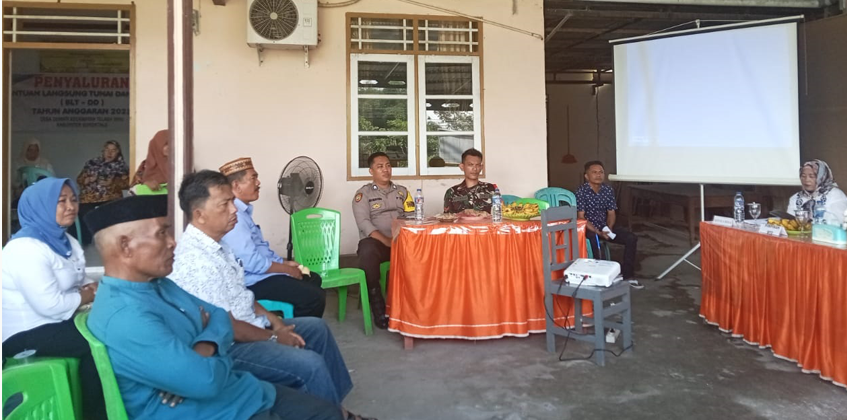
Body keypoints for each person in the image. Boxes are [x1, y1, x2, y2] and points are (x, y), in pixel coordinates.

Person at [83, 195, 350, 420]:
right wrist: (210, 351)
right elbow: (205, 382)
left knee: (327, 411)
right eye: (162, 233)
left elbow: (220, 315)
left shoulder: (160, 285)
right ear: (125, 246)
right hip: (209, 412)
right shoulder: (125, 315)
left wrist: (203, 348)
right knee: (321, 406)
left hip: (241, 394)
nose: (172, 242)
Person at [171, 170, 361, 411]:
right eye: (224, 204)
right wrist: (274, 337)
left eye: (232, 201)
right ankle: (330, 411)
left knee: (317, 328)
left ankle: (334, 408)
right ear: (199, 214)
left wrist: (275, 322)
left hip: (252, 325)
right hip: (230, 347)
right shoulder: (196, 261)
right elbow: (226, 326)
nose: (233, 209)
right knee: (309, 363)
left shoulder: (219, 245)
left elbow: (243, 296)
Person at [2, 177, 106, 419]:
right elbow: (51, 305)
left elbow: (81, 281)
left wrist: (86, 292)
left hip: (58, 323)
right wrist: (87, 293)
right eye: (61, 201)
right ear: (41, 206)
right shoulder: (25, 248)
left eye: (74, 199)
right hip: (26, 333)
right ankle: (94, 414)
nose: (71, 206)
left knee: (112, 329)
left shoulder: (66, 241)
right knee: (100, 344)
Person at [219, 158, 326, 318]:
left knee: (312, 278)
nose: (258, 182)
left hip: (259, 274)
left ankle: (292, 319)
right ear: (236, 185)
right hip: (251, 281)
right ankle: (301, 330)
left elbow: (260, 250)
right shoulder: (236, 217)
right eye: (253, 178)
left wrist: (283, 262)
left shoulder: (243, 213)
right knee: (314, 297)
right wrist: (286, 269)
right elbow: (251, 262)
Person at [352, 152, 414, 329]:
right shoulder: (363, 194)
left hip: (401, 241)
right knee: (367, 250)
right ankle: (377, 302)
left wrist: (403, 238)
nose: (385, 170)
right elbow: (363, 223)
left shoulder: (403, 192)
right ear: (371, 171)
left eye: (388, 165)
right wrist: (387, 241)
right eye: (380, 167)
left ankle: (417, 302)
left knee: (424, 248)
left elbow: (412, 216)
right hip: (378, 244)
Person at [575, 161, 643, 289]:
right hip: (589, 228)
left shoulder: (607, 190)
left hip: (604, 226)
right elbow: (581, 218)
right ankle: (598, 277)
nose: (598, 175)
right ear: (586, 176)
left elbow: (611, 213)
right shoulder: (581, 192)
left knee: (631, 238)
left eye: (601, 172)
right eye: (594, 172)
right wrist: (598, 232)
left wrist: (609, 228)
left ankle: (628, 276)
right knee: (594, 241)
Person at [74, 140, 130, 245]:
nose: (109, 153)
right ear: (103, 151)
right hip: (89, 197)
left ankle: (111, 241)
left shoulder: (121, 167)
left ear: (118, 152)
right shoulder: (92, 163)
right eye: (107, 150)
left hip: (110, 196)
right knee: (82, 213)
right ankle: (83, 242)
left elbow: (128, 184)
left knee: (113, 212)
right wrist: (89, 180)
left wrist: (112, 183)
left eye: (113, 150)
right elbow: (79, 180)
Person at [787, 159, 847, 225]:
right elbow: (789, 223)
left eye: (811, 176)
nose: (806, 180)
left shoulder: (835, 195)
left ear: (822, 177)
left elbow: (841, 222)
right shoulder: (795, 198)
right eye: (803, 176)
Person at [443, 148, 497, 213]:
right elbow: (447, 217)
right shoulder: (452, 192)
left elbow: (500, 213)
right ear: (462, 167)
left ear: (481, 167)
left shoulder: (490, 189)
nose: (474, 169)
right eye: (470, 165)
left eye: (477, 165)